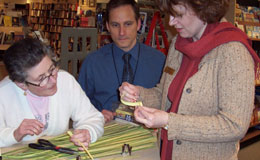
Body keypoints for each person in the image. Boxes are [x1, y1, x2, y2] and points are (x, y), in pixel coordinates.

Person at [119, 0, 260, 159]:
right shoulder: (177, 45)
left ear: (203, 8)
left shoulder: (233, 51)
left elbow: (235, 125)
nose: (171, 22)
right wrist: (138, 94)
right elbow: (164, 94)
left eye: (178, 14)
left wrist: (169, 122)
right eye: (170, 14)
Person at [0, 38, 104, 149]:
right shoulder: (3, 93)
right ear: (22, 84)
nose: (53, 80)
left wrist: (88, 131)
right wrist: (15, 134)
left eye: (52, 69)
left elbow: (93, 118)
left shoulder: (66, 81)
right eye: (42, 78)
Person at [78, 0, 165, 123]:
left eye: (128, 24)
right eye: (115, 25)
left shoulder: (160, 61)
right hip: (105, 135)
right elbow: (77, 105)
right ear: (107, 26)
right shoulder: (92, 62)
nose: (122, 32)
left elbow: (167, 103)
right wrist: (94, 115)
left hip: (146, 136)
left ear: (139, 24)